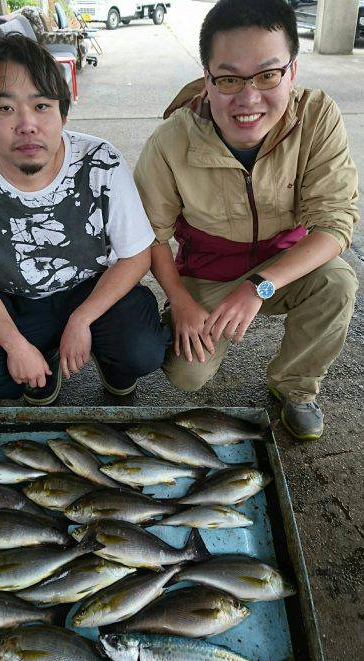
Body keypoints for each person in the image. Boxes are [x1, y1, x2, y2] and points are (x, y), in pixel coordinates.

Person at [134, 0, 358, 440]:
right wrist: (179, 299)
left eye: (268, 74)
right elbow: (150, 235)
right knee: (186, 375)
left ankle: (295, 387)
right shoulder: (169, 140)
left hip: (286, 266)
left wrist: (258, 287)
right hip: (209, 273)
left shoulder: (319, 118)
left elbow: (335, 224)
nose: (249, 98)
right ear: (208, 78)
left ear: (292, 72)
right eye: (230, 78)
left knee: (338, 283)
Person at [0, 34, 170, 405]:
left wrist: (82, 319)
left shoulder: (102, 160)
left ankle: (116, 369)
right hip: (13, 299)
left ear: (62, 113)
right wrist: (15, 345)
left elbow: (136, 255)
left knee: (143, 349)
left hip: (93, 289)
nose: (27, 125)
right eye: (5, 109)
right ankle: (40, 368)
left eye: (41, 105)